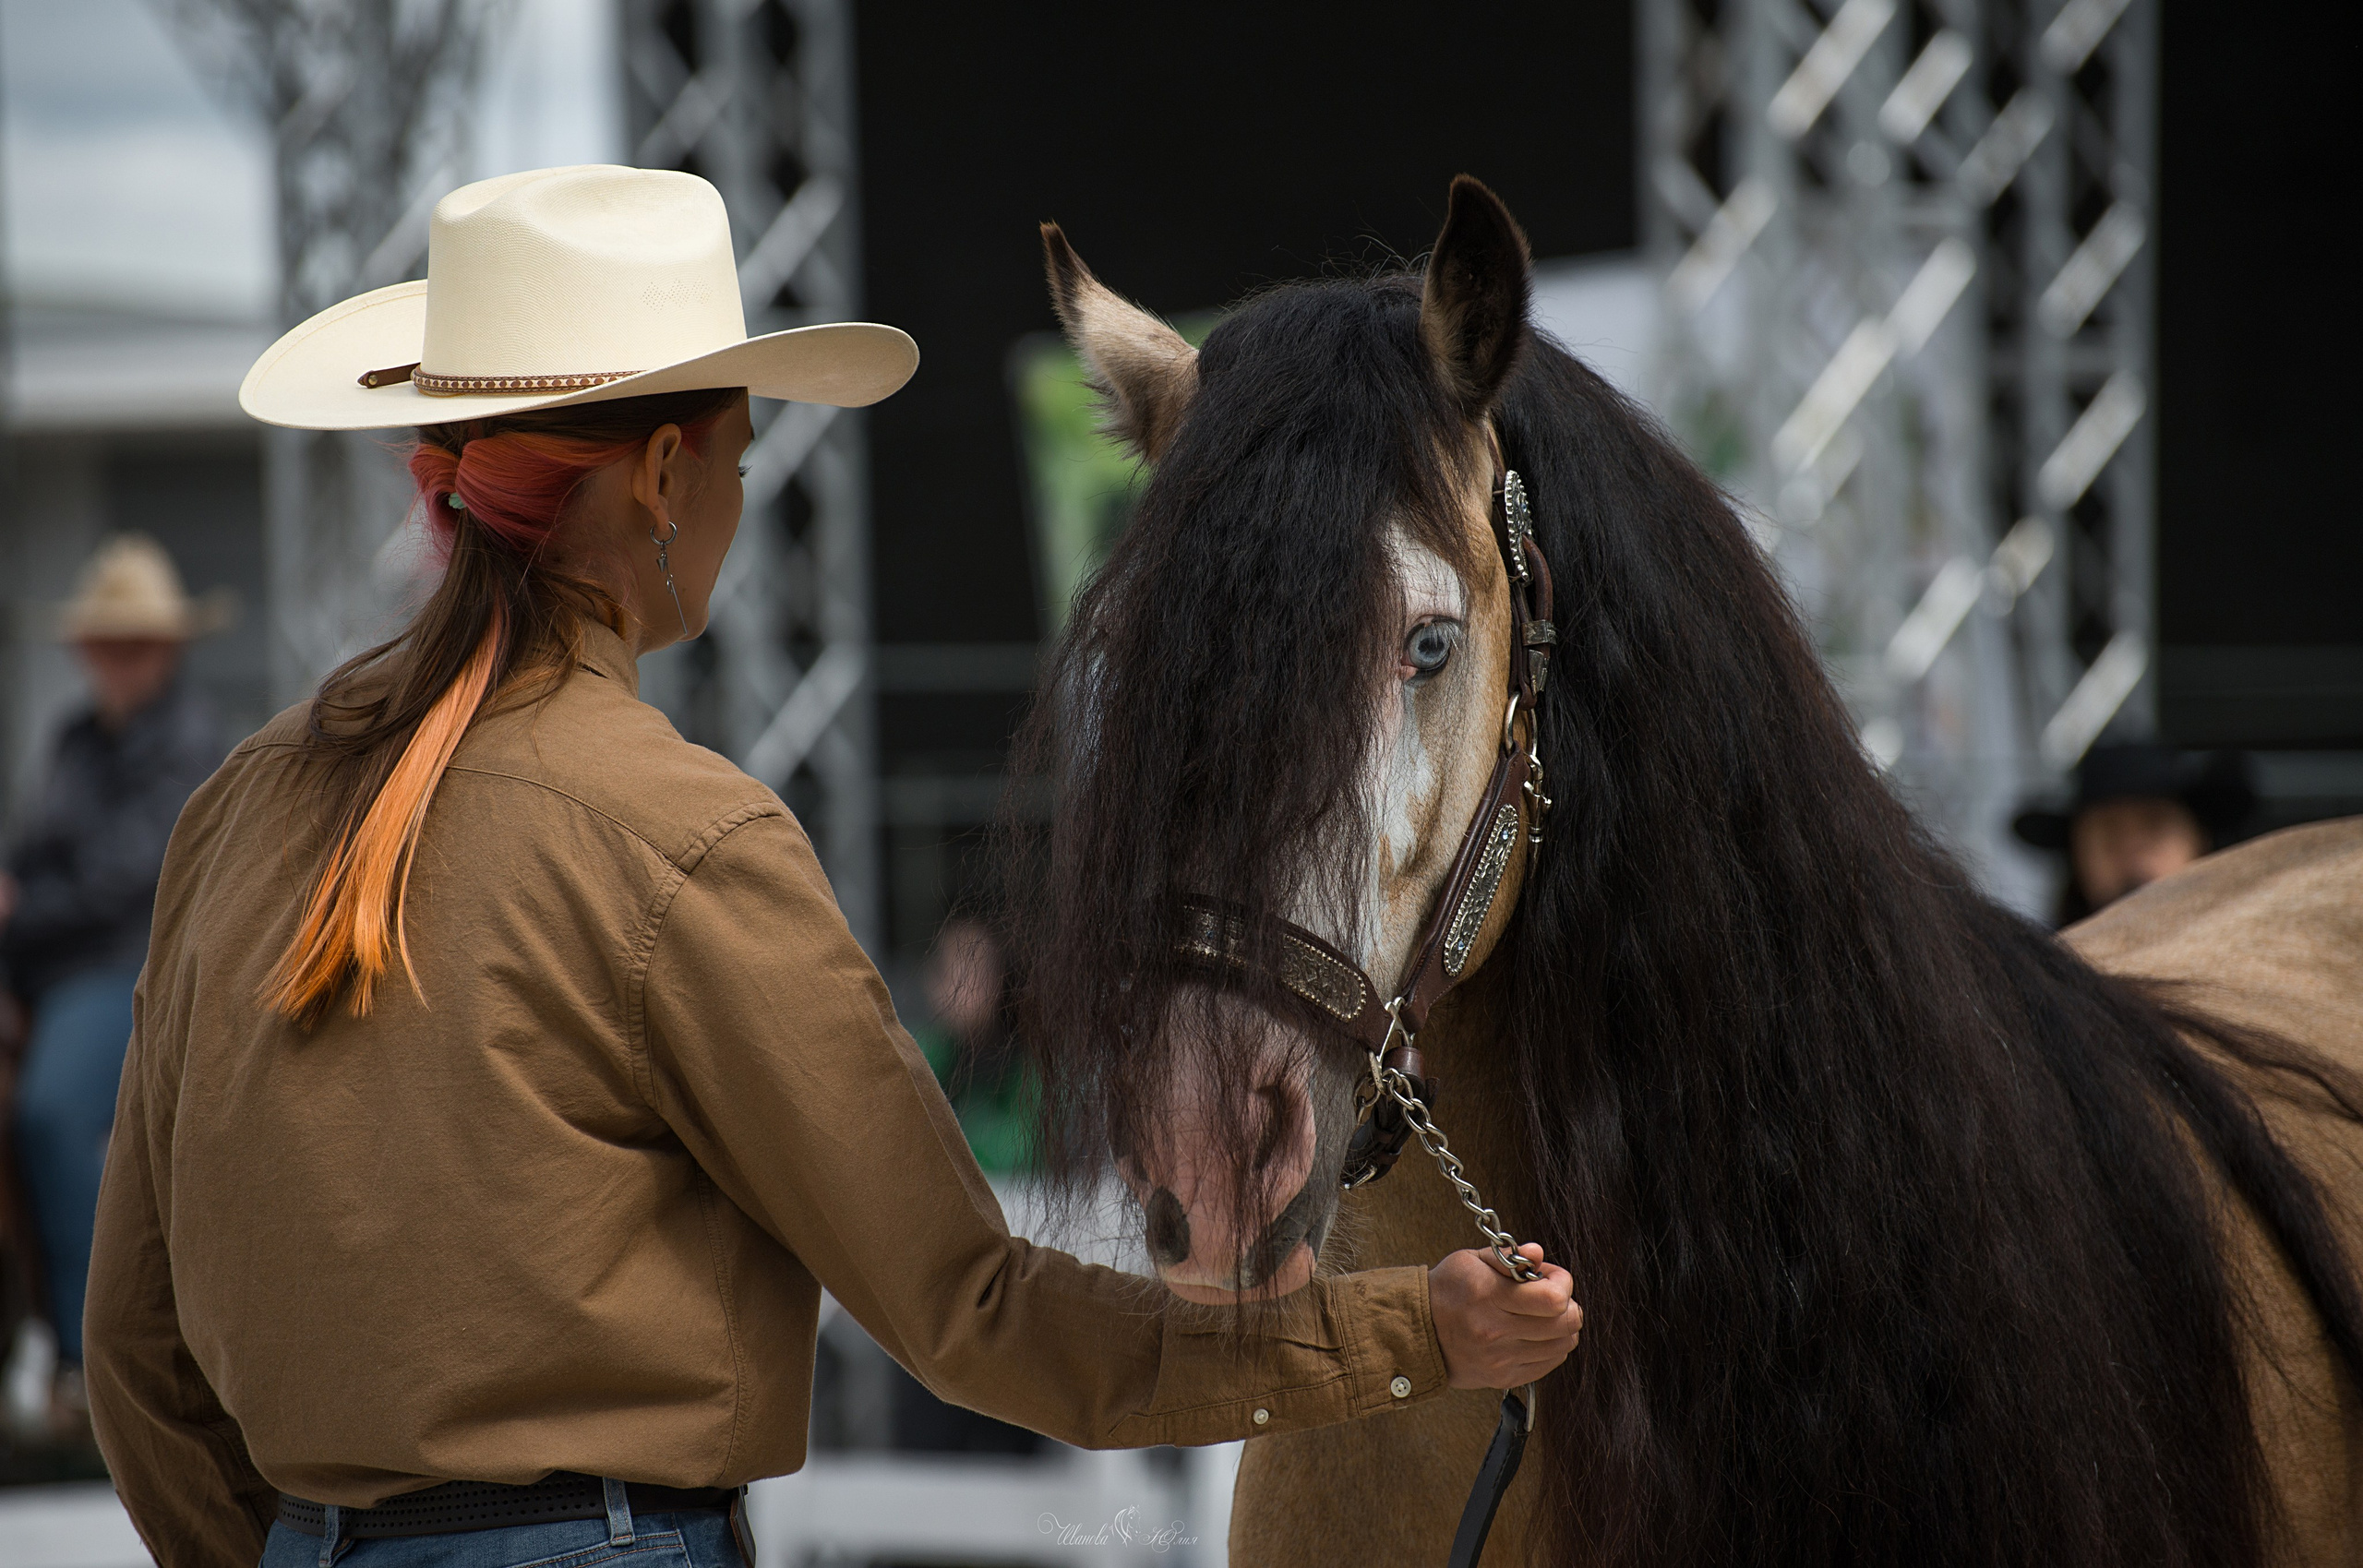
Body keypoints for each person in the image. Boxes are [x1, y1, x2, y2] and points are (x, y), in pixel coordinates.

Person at [82, 165, 1581, 1566]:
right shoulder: (683, 840)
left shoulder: (241, 806)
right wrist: (1417, 1335)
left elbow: (137, 1351)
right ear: (666, 475)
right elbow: (980, 1314)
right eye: (740, 452)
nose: (737, 498)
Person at [0, 535, 227, 1438]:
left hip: (123, 968)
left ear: (166, 649)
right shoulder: (75, 742)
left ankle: (89, 1352)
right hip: (52, 963)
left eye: (132, 642)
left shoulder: (188, 746)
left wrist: (19, 908)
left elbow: (123, 884)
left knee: (53, 1111)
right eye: (105, 641)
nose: (115, 659)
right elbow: (38, 853)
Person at [2011, 740, 2256, 924]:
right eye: (2109, 829)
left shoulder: (2255, 965)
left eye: (2153, 824)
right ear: (2076, 852)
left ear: (2200, 839)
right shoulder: (2034, 980)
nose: (2129, 846)